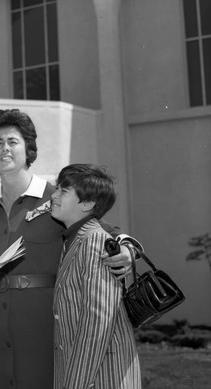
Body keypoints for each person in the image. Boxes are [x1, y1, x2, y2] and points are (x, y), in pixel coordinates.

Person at [0, 109, 140, 389]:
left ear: (28, 150)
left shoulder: (56, 197)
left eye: (13, 141)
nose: (5, 148)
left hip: (45, 323)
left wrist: (129, 249)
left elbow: (107, 230)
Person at [50, 164, 141, 388]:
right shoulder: (74, 238)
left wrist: (75, 383)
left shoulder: (94, 241)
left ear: (88, 203)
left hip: (101, 376)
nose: (53, 195)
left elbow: (97, 323)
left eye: (63, 191)